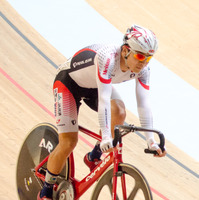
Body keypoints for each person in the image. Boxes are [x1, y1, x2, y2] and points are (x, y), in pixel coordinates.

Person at [37, 24, 166, 200]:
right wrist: (106, 135)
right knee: (68, 142)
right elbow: (104, 99)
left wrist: (151, 141)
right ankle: (45, 190)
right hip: (69, 83)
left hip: (95, 85)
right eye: (139, 56)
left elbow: (144, 103)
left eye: (148, 59)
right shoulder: (107, 58)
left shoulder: (143, 70)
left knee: (119, 112)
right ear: (125, 51)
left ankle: (94, 156)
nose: (143, 63)